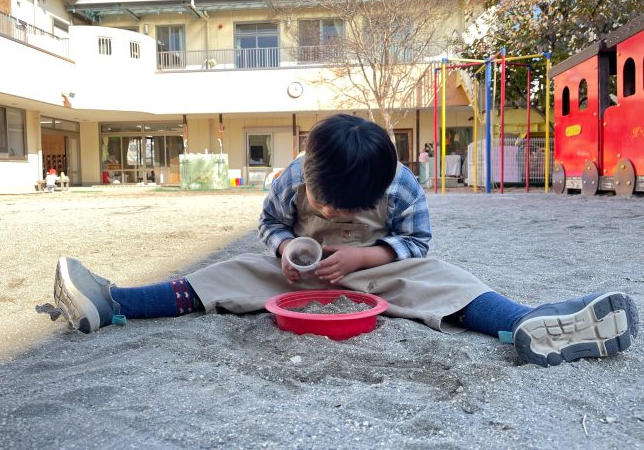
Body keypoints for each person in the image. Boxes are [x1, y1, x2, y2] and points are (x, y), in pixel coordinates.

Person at [53, 114, 639, 367]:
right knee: (225, 274)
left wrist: (366, 254)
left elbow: (418, 243)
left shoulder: (402, 185)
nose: (333, 214)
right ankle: (115, 302)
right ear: (307, 175)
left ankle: (526, 322)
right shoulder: (289, 179)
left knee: (446, 279)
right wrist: (286, 249)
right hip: (299, 276)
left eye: (348, 209)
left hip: (378, 272)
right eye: (326, 204)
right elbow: (269, 225)